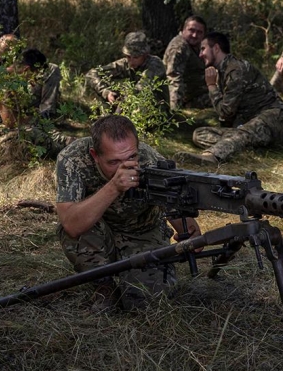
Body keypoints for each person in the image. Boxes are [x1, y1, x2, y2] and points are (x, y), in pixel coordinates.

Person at [55, 115, 201, 310]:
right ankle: (104, 286)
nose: (126, 167)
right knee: (75, 230)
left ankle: (132, 279)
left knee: (147, 304)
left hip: (143, 234)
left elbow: (174, 208)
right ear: (95, 155)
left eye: (132, 157)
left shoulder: (150, 159)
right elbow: (71, 224)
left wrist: (189, 231)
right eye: (114, 162)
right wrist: (114, 186)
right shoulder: (72, 158)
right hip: (99, 234)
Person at [174, 32, 283, 166]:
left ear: (216, 48)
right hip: (247, 127)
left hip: (273, 120)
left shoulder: (236, 69)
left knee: (243, 133)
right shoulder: (224, 71)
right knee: (199, 134)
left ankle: (212, 156)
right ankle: (248, 150)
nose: (200, 54)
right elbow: (227, 119)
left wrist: (212, 86)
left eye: (203, 48)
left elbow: (226, 112)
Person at [0, 49, 72, 157]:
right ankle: (67, 148)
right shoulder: (3, 83)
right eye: (34, 75)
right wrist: (33, 120)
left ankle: (66, 144)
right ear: (26, 70)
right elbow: (11, 123)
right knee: (37, 135)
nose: (32, 81)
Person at [85, 32, 168, 106]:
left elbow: (140, 89)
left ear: (145, 55)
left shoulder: (155, 65)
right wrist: (106, 92)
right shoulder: (125, 63)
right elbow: (92, 74)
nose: (131, 61)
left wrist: (121, 105)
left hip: (157, 113)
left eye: (136, 57)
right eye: (128, 57)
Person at [163, 16, 211, 110]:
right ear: (183, 30)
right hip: (188, 100)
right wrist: (174, 113)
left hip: (198, 93)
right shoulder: (179, 48)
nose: (194, 35)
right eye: (191, 30)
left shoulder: (195, 45)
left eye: (199, 32)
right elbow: (173, 79)